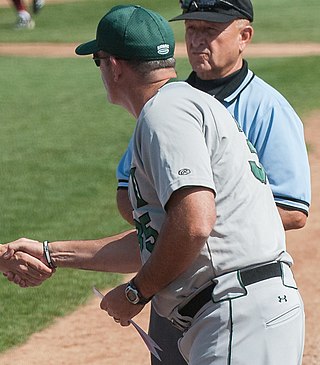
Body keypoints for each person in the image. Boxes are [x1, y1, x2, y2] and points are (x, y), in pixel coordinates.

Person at [4, 5, 305, 364]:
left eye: (98, 61)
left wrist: (135, 294)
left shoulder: (166, 114)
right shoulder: (186, 104)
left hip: (236, 315)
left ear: (113, 65)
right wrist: (53, 253)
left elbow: (193, 224)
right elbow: (161, 241)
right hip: (241, 312)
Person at [116, 1, 311, 363]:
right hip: (172, 282)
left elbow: (292, 208)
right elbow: (127, 193)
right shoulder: (162, 106)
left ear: (244, 36)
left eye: (210, 30)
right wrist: (167, 226)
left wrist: (188, 220)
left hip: (230, 289)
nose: (197, 40)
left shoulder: (267, 108)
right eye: (191, 29)